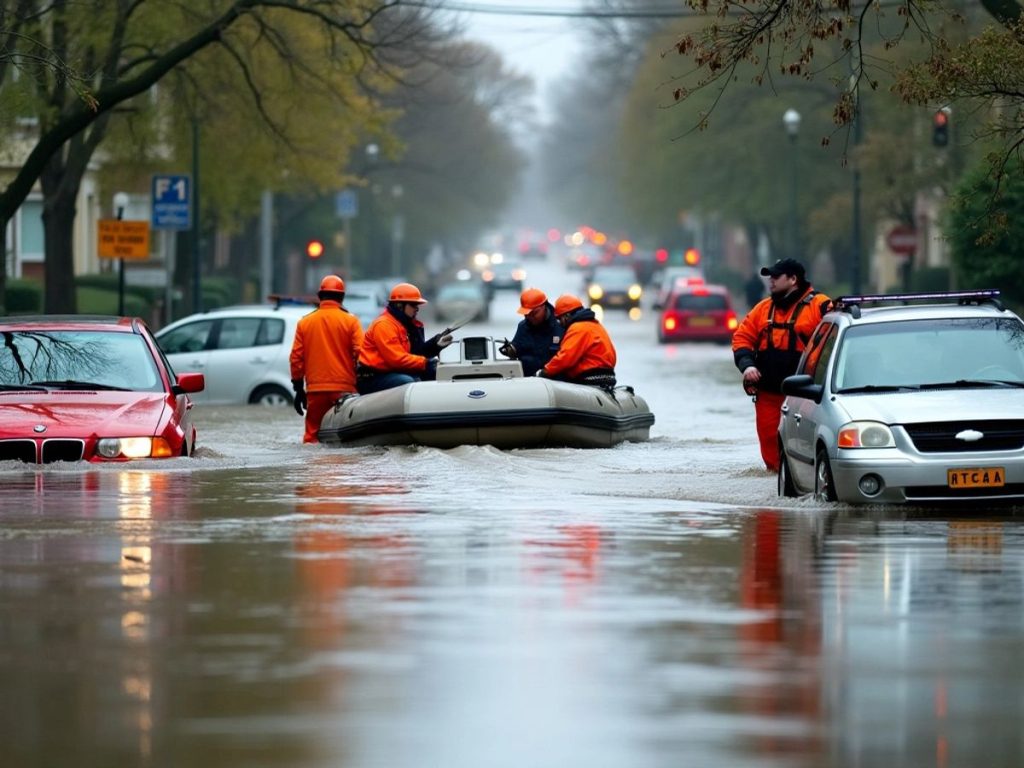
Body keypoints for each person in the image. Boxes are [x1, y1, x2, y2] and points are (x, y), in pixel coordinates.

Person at [732, 258, 831, 472]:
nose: (771, 281)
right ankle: (777, 490)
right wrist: (747, 366)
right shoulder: (763, 309)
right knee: (770, 449)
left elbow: (836, 340)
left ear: (793, 279)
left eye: (776, 277)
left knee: (807, 447)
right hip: (768, 393)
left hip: (806, 395)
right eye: (770, 277)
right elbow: (742, 338)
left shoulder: (820, 306)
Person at [289, 275, 365, 444]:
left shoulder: (305, 323)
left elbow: (296, 358)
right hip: (345, 390)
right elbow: (362, 354)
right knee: (348, 438)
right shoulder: (351, 321)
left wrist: (298, 389)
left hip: (316, 391)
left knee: (312, 438)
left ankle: (315, 470)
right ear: (342, 297)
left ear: (320, 295)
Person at [356, 282, 452, 394]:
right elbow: (396, 360)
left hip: (392, 372)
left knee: (434, 371)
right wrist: (425, 362)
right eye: (413, 305)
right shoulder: (384, 325)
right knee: (407, 382)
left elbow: (415, 354)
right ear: (399, 305)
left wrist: (435, 344)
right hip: (373, 378)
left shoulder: (405, 325)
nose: (417, 309)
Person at [537, 294, 617, 388]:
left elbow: (565, 358)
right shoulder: (595, 325)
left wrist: (544, 372)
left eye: (560, 319)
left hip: (590, 377)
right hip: (608, 376)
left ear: (566, 316)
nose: (560, 324)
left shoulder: (577, 328)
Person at [498, 287, 562, 376]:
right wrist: (510, 350)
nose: (529, 317)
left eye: (534, 313)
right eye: (526, 314)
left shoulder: (560, 326)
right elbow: (516, 347)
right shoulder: (523, 327)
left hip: (556, 383)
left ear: (544, 306)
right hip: (529, 382)